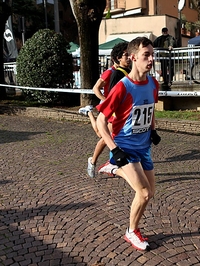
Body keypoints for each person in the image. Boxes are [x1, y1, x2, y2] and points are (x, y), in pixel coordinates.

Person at [95, 37, 160, 251]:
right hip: (124, 147)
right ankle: (131, 232)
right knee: (142, 192)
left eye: (152, 54)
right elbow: (101, 122)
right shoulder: (122, 87)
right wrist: (114, 149)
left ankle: (112, 168)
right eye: (146, 55)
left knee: (150, 193)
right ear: (133, 58)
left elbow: (149, 108)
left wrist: (153, 130)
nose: (151, 59)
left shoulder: (153, 83)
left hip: (144, 147)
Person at [78, 41, 128, 178]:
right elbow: (95, 88)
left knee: (108, 136)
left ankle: (112, 162)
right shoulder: (110, 73)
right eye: (126, 55)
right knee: (103, 136)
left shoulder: (127, 71)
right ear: (118, 57)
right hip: (108, 105)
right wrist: (106, 101)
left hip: (116, 107)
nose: (129, 58)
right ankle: (93, 161)